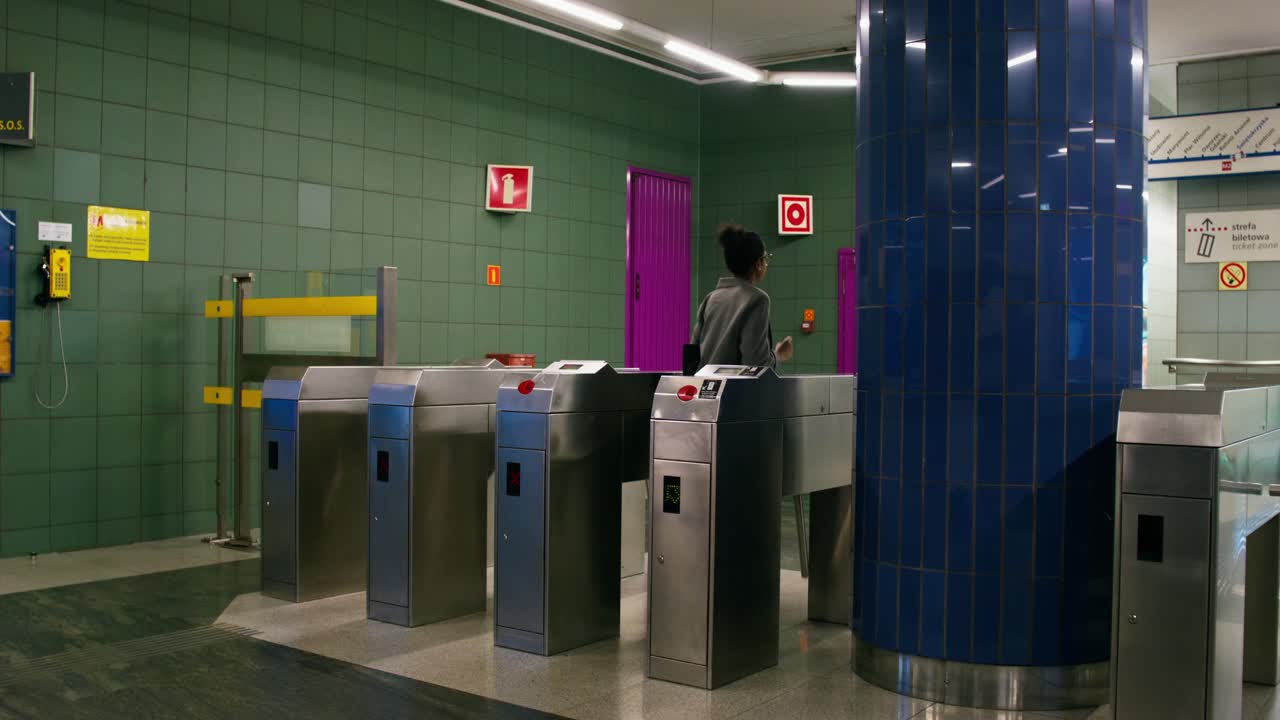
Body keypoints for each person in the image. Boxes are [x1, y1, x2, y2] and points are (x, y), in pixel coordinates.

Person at [691, 224, 794, 369]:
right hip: (735, 390)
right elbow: (756, 365)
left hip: (705, 388)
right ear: (758, 264)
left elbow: (693, 353)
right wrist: (779, 355)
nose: (766, 264)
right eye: (765, 258)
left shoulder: (710, 298)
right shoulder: (757, 300)